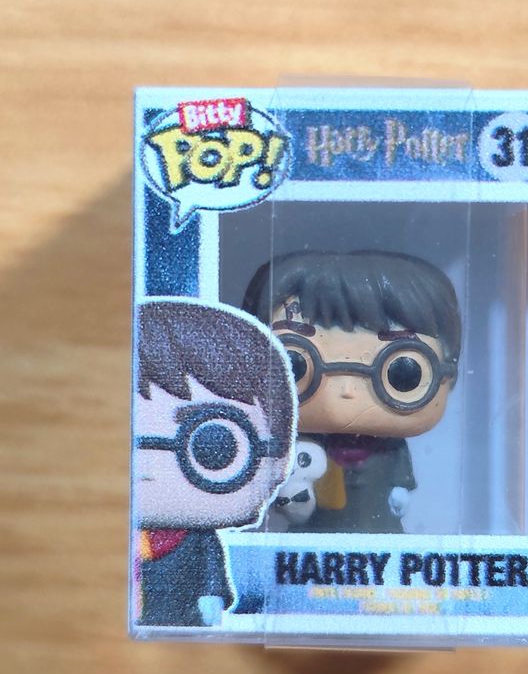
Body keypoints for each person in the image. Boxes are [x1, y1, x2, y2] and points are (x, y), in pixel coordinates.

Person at [243, 251, 461, 534]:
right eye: (294, 364)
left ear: (447, 373)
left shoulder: (390, 447)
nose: (347, 391)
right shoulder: (302, 447)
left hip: (379, 531)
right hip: (313, 535)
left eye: (402, 371)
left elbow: (401, 470)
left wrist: (401, 488)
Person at [133, 298, 296, 627]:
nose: (146, 468)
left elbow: (211, 575)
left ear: (281, 459)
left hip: (187, 626)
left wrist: (212, 599)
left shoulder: (199, 541)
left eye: (212, 446)